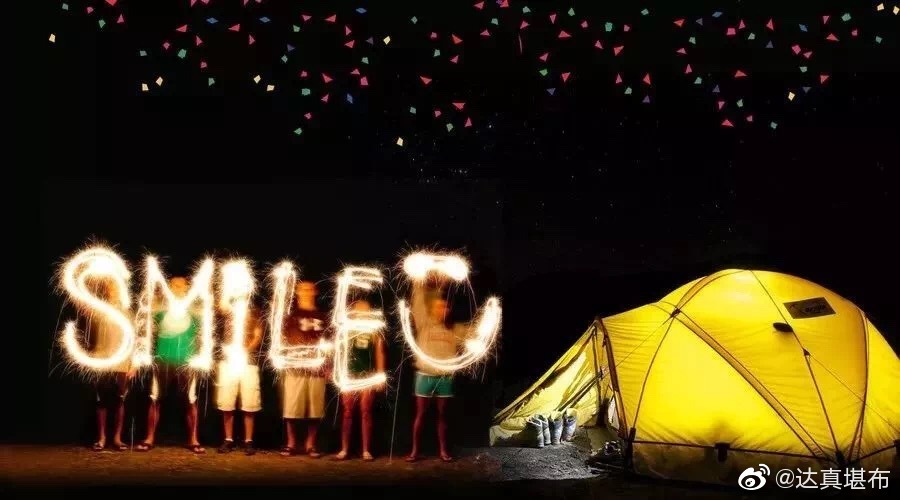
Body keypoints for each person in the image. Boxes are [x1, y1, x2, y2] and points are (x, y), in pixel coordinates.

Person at [136, 276, 204, 453]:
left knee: (190, 400)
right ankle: (149, 438)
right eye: (172, 285)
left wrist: (198, 357)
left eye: (180, 286)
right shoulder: (160, 309)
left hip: (187, 362)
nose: (175, 288)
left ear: (187, 288)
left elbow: (202, 334)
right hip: (162, 360)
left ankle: (193, 439)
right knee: (155, 399)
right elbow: (146, 326)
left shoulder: (194, 311)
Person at [406, 276, 469, 463]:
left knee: (443, 415)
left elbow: (475, 334)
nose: (443, 309)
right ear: (432, 309)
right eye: (439, 307)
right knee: (420, 414)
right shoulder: (424, 323)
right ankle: (414, 451)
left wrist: (489, 319)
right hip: (425, 375)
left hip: (445, 377)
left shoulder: (455, 329)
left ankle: (443, 451)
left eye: (445, 307)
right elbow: (418, 302)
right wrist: (418, 280)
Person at [280, 280, 329, 458]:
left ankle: (311, 445)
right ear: (297, 292)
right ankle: (291, 443)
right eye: (302, 289)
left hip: (316, 368)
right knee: (292, 407)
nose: (306, 292)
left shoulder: (323, 316)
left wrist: (328, 365)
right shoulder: (290, 316)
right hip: (295, 367)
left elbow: (329, 342)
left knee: (315, 408)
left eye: (309, 289)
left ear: (315, 292)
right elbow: (282, 340)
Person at [335, 300, 387, 461]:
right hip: (349, 375)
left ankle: (366, 450)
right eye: (359, 310)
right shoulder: (346, 329)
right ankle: (344, 449)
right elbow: (339, 351)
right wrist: (338, 371)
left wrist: (380, 375)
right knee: (347, 411)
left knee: (366, 411)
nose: (363, 313)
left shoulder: (374, 330)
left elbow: (379, 352)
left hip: (367, 375)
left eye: (366, 310)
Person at [87, 279, 135, 451]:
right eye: (110, 288)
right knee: (101, 401)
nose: (113, 291)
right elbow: (84, 306)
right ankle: (101, 438)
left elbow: (134, 339)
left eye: (116, 288)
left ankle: (117, 438)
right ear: (106, 291)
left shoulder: (128, 313)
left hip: (122, 362)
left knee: (120, 400)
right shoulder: (100, 309)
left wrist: (134, 364)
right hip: (102, 362)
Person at [215, 299, 264, 455]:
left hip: (248, 362)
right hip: (228, 361)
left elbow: (258, 335)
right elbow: (218, 305)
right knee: (227, 402)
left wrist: (244, 351)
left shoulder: (255, 311)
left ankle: (248, 441)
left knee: (250, 403)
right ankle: (228, 439)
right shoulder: (227, 308)